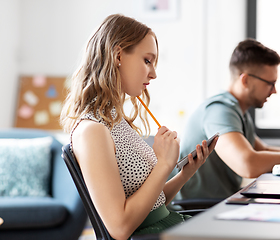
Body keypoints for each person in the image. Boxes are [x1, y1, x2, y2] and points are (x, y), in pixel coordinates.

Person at [60, 14, 217, 240]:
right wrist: (163, 164)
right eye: (147, 60)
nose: (153, 73)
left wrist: (184, 173)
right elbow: (120, 227)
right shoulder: (92, 130)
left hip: (169, 226)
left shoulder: (115, 120)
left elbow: (151, 204)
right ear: (118, 55)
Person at [178, 38, 280, 200]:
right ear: (245, 80)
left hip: (217, 202)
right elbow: (248, 164)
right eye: (270, 83)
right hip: (195, 209)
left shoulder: (238, 110)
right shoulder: (220, 110)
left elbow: (263, 150)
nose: (274, 91)